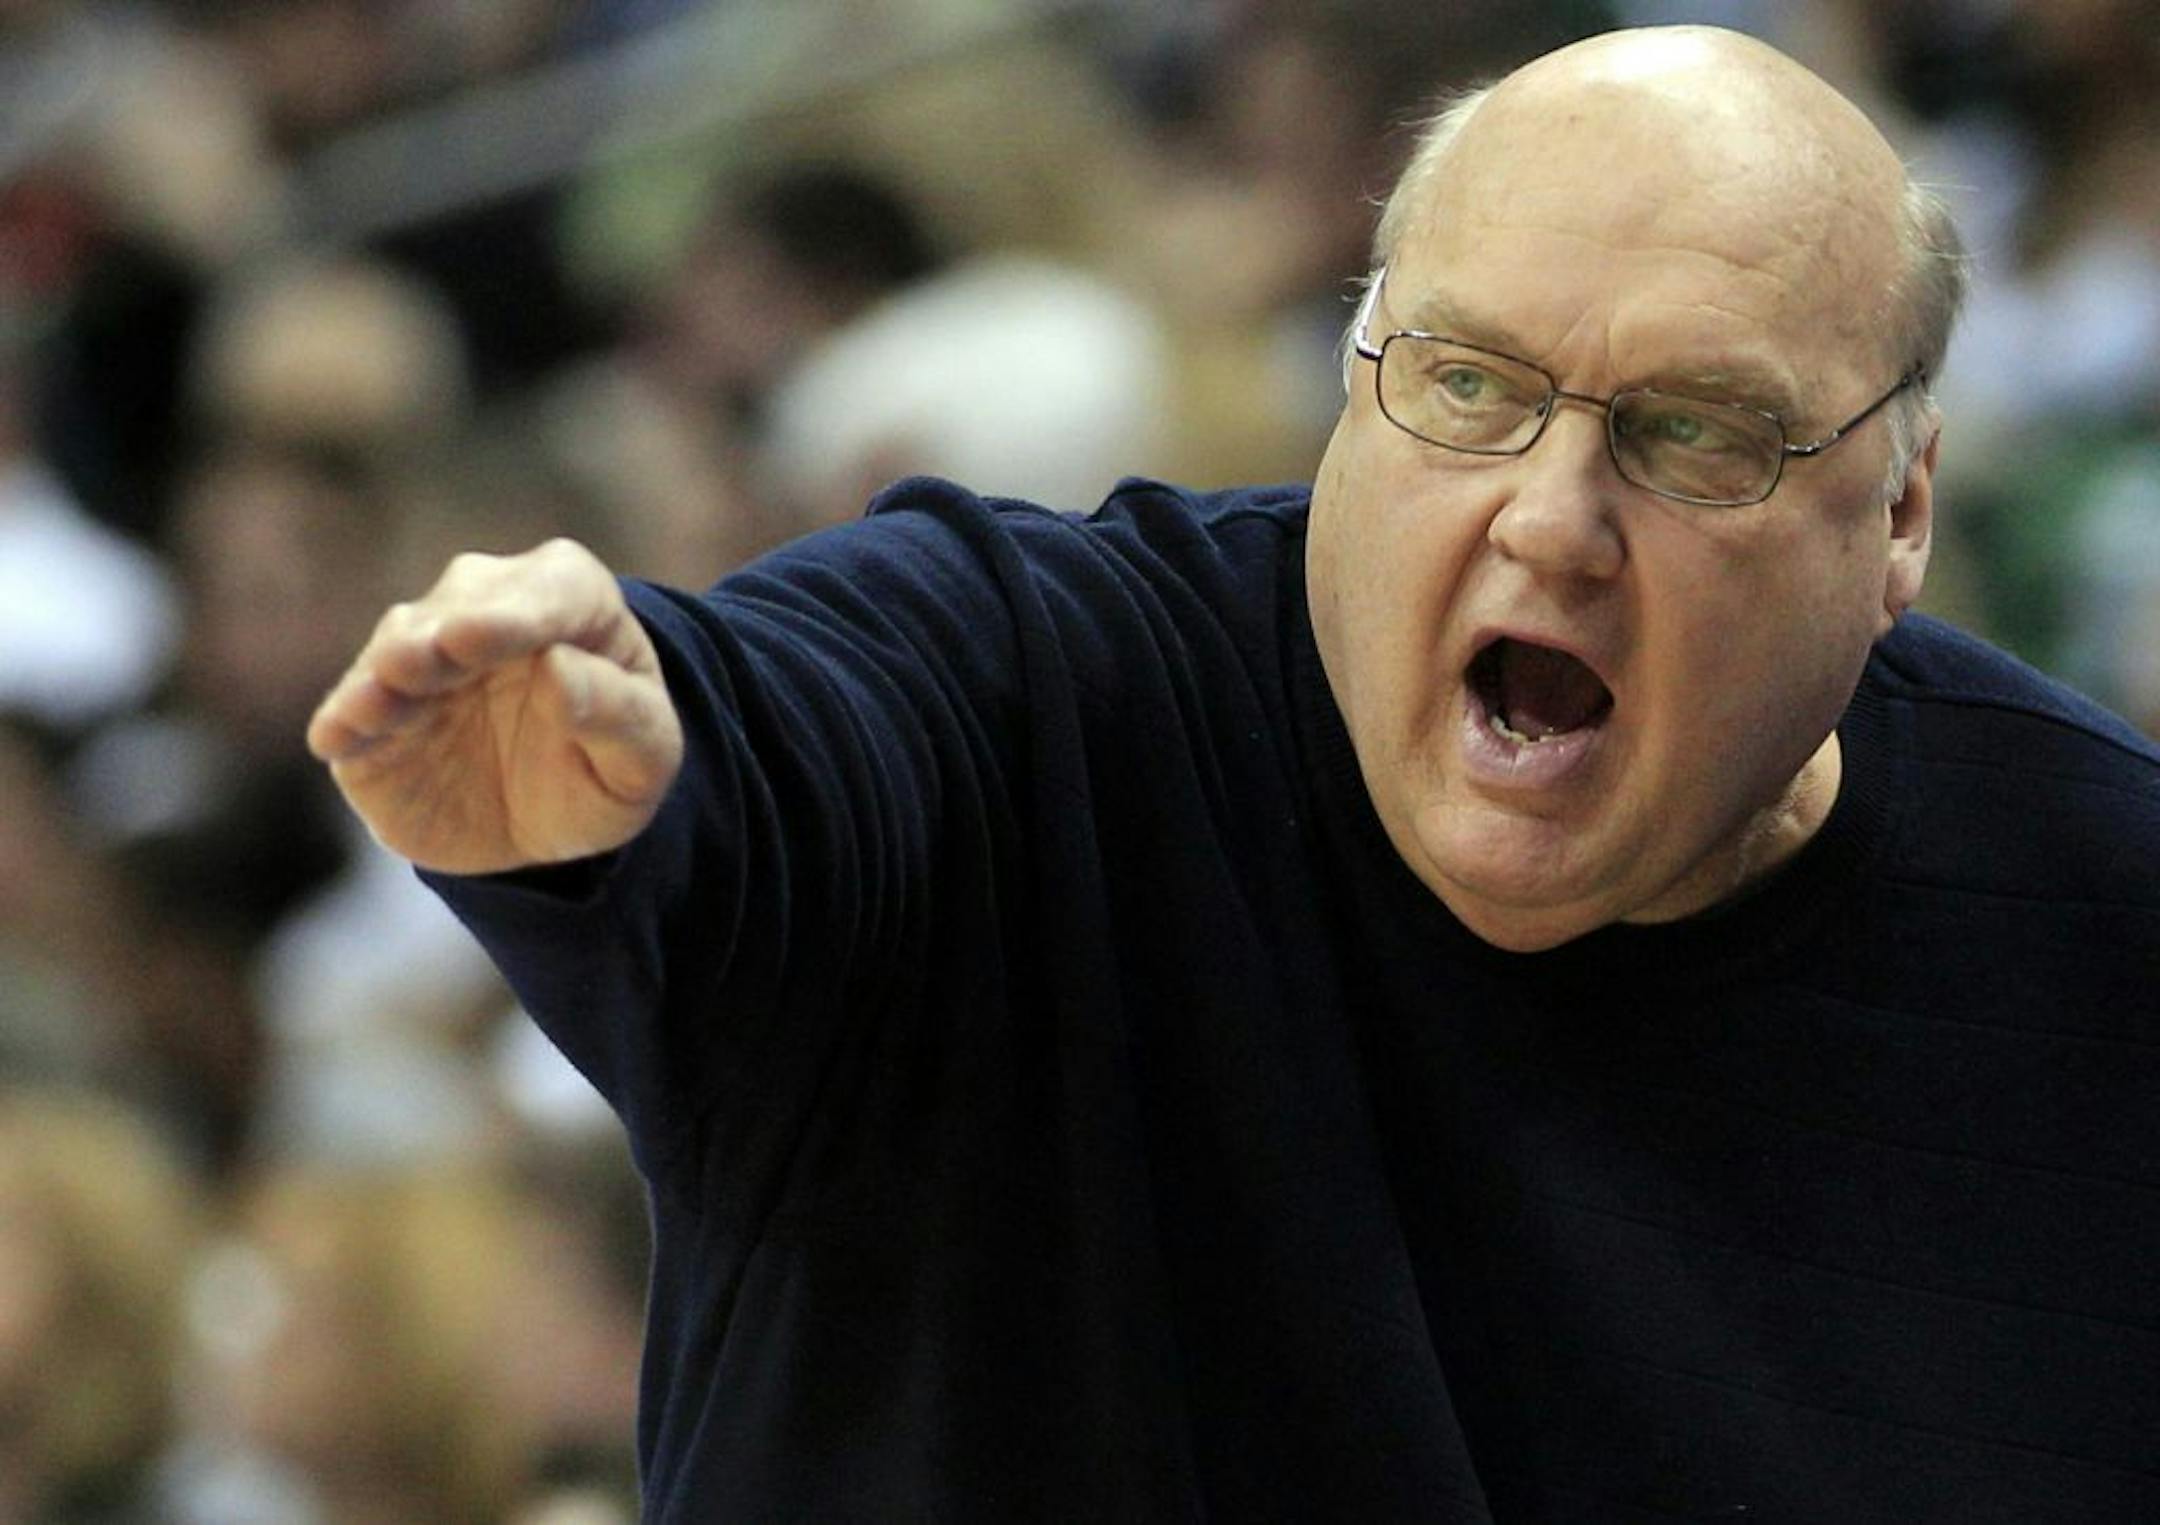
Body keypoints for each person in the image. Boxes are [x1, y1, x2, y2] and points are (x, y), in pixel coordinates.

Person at [307, 25, 2160, 1523]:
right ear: (1351, 373)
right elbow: (791, 755)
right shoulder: (1039, 689)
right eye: (1467, 385)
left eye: (1696, 435)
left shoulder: (2104, 920)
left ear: (1903, 506)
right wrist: (623, 786)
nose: (1554, 519)